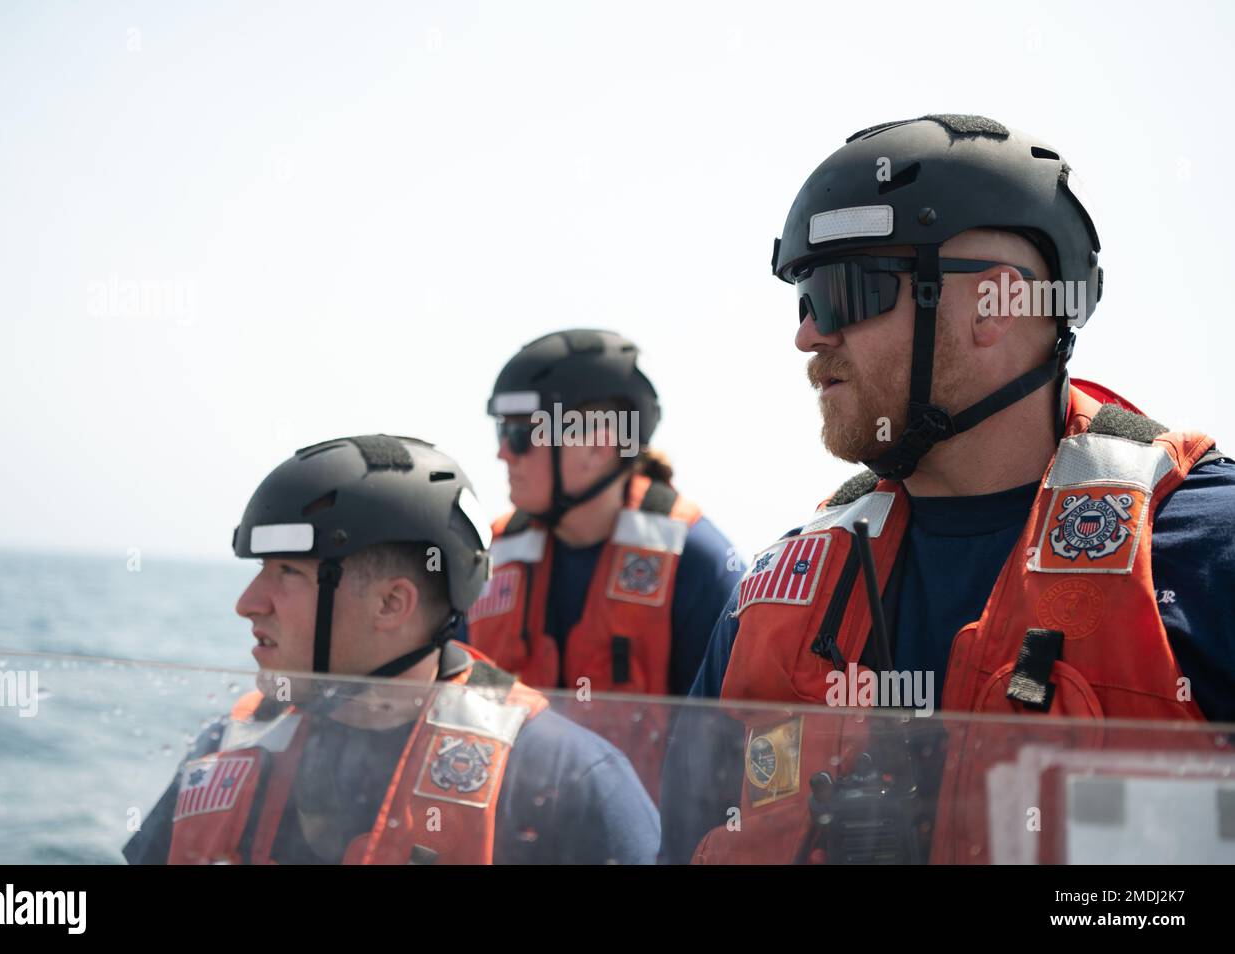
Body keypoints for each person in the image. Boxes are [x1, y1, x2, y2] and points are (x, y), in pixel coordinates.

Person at [665, 114, 1235, 864]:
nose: (808, 334)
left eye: (844, 291)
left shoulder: (1205, 554)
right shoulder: (771, 597)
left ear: (992, 308)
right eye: (803, 297)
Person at [123, 434, 658, 865]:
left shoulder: (571, 781)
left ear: (391, 604)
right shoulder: (226, 745)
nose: (247, 603)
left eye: (287, 571)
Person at [461, 329, 740, 796]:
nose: (502, 452)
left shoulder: (697, 564)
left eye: (521, 434)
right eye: (500, 431)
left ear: (598, 445)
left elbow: (731, 753)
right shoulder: (484, 562)